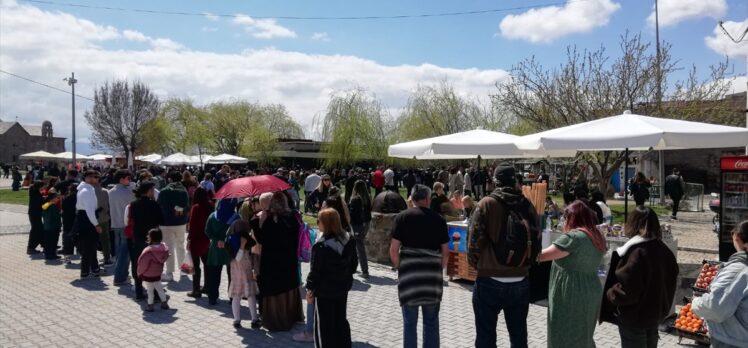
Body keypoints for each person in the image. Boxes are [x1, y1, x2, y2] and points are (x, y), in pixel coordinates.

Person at [467, 166, 539, 348]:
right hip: (521, 278)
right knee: (519, 336)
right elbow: (536, 238)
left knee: (485, 336)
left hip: (490, 278)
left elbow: (474, 240)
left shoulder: (486, 203)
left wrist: (477, 264)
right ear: (515, 181)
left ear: (494, 181)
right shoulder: (527, 204)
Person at [599, 206, 679, 348]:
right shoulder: (665, 251)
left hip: (635, 318)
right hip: (654, 317)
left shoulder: (637, 253)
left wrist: (610, 294)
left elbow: (628, 291)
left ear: (632, 224)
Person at [538, 201, 607, 348]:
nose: (564, 221)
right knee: (583, 335)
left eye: (565, 217)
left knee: (564, 335)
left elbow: (542, 256)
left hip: (570, 294)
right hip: (590, 291)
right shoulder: (596, 236)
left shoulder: (573, 238)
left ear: (572, 218)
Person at [390, 184, 449, 348]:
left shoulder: (401, 217)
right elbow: (445, 253)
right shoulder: (439, 219)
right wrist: (439, 270)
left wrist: (402, 268)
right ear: (427, 199)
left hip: (409, 279)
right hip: (432, 280)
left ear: (413, 199)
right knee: (431, 323)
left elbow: (394, 250)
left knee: (409, 324)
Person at [251, 192, 304, 331]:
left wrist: (257, 223)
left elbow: (262, 239)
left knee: (276, 291)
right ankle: (292, 316)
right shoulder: (293, 216)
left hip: (273, 263)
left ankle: (277, 320)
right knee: (289, 288)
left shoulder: (271, 220)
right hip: (290, 261)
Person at [306, 208, 358, 348]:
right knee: (340, 321)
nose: (317, 223)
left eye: (319, 220)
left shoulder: (320, 246)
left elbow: (315, 272)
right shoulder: (349, 240)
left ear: (326, 223)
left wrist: (309, 289)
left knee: (324, 326)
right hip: (342, 289)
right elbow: (354, 265)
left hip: (324, 292)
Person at [692, 220, 748, 348]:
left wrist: (696, 302)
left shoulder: (738, 271)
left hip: (734, 341)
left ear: (736, 237)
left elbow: (715, 308)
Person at [129, 182, 163, 300]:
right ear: (148, 191)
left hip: (138, 237)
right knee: (153, 264)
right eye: (152, 190)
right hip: (152, 238)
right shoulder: (154, 204)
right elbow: (161, 219)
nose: (154, 192)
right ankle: (156, 295)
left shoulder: (133, 204)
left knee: (138, 263)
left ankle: (139, 292)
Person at [226, 213, 260, 329]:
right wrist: (242, 245)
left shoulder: (230, 240)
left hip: (240, 274)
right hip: (242, 274)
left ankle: (239, 319)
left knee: (238, 296)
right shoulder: (239, 242)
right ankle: (249, 319)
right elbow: (238, 258)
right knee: (248, 296)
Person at [156, 171, 190, 282]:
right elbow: (186, 206)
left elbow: (158, 205)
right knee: (180, 246)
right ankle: (184, 271)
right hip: (180, 222)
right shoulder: (183, 191)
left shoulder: (164, 191)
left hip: (165, 222)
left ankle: (169, 273)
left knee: (168, 248)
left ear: (170, 179)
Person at [73, 171, 103, 279]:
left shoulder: (85, 189)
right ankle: (85, 271)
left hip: (83, 218)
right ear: (87, 178)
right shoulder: (87, 191)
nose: (95, 179)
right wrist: (96, 225)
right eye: (93, 177)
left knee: (90, 247)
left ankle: (94, 269)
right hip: (87, 220)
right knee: (89, 247)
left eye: (96, 177)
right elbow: (90, 211)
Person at [204, 198, 235, 305]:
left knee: (214, 274)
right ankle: (232, 298)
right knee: (232, 275)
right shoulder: (235, 217)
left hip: (215, 249)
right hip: (230, 249)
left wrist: (217, 240)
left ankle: (212, 298)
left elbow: (207, 231)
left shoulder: (213, 216)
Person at [109, 170, 135, 285]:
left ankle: (120, 274)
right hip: (125, 225)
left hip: (115, 224)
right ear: (121, 179)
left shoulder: (111, 192)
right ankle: (120, 277)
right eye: (127, 178)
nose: (129, 181)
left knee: (119, 251)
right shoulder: (128, 193)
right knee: (125, 253)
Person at [186, 187, 212, 298]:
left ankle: (196, 290)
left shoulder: (196, 208)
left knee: (195, 266)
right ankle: (207, 286)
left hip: (196, 239)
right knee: (207, 264)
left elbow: (192, 226)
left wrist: (189, 239)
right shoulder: (210, 206)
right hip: (206, 239)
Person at [137, 228, 171, 312]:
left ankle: (150, 305)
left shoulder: (148, 251)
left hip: (148, 275)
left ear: (150, 238)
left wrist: (139, 272)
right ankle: (164, 303)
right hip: (157, 274)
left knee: (150, 291)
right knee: (159, 288)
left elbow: (143, 264)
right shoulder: (164, 249)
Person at [348, 180, 372, 279]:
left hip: (358, 225)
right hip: (366, 223)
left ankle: (365, 271)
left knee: (359, 247)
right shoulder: (367, 198)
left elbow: (352, 214)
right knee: (357, 246)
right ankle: (355, 266)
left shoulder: (356, 199)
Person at [94, 181, 112, 265]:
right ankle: (107, 258)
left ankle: (92, 260)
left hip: (91, 219)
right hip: (103, 218)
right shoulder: (105, 191)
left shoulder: (87, 191)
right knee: (105, 240)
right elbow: (109, 206)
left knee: (92, 240)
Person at [41, 188, 62, 260]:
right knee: (53, 241)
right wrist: (60, 213)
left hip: (47, 226)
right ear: (53, 198)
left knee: (48, 241)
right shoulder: (53, 206)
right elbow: (57, 216)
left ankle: (48, 254)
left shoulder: (46, 204)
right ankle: (52, 254)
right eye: (57, 198)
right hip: (54, 226)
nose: (58, 199)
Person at [60, 182, 78, 264]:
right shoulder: (80, 198)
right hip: (77, 220)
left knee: (67, 239)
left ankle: (67, 257)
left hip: (67, 221)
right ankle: (82, 254)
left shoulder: (66, 198)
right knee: (80, 239)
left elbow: (63, 209)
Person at [26, 181, 45, 255]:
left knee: (39, 229)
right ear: (39, 186)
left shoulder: (34, 191)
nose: (44, 188)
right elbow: (40, 203)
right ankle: (30, 248)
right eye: (43, 186)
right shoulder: (36, 193)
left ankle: (44, 244)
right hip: (35, 213)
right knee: (36, 230)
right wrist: (46, 200)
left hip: (34, 213)